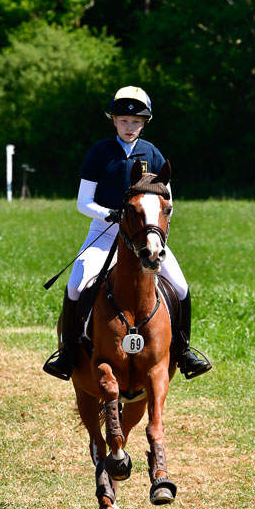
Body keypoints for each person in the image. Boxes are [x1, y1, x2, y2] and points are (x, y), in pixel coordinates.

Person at [43, 86, 211, 381]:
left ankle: (184, 351)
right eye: (124, 120)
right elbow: (83, 202)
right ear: (114, 120)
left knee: (181, 287)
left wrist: (154, 232)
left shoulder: (153, 154)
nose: (129, 126)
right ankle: (67, 354)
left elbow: (167, 201)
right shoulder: (100, 153)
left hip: (143, 237)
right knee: (75, 285)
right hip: (105, 232)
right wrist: (109, 213)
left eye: (136, 121)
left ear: (144, 123)